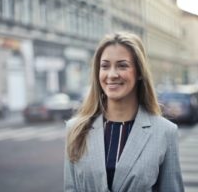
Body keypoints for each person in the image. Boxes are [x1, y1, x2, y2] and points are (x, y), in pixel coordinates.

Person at [64, 32, 184, 192]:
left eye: (122, 65)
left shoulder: (165, 132)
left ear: (140, 72)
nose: (112, 74)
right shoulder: (76, 129)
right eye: (105, 66)